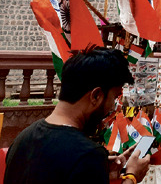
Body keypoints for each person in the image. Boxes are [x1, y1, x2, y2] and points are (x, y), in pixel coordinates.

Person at [4, 47, 151, 184]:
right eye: (114, 98)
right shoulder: (87, 155)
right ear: (96, 95)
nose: (113, 107)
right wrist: (132, 176)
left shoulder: (22, 139)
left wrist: (99, 171)